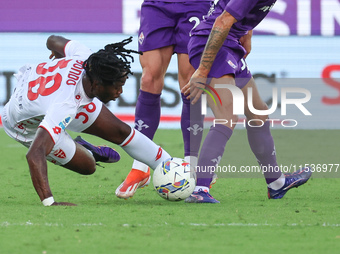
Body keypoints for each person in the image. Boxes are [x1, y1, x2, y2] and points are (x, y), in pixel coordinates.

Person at [1, 35, 172, 206]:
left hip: (52, 97)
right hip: (22, 125)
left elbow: (53, 39)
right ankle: (89, 151)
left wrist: (56, 53)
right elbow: (34, 154)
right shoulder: (65, 105)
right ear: (97, 84)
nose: (120, 92)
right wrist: (49, 202)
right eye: (116, 86)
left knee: (120, 131)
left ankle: (171, 167)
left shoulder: (86, 57)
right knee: (88, 166)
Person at [181, 0, 312, 203]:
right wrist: (203, 71)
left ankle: (276, 183)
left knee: (258, 113)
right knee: (226, 118)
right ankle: (200, 189)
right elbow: (223, 21)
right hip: (214, 42)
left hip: (230, 43)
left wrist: (247, 32)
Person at [115, 0, 213, 199]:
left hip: (196, 4)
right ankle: (140, 166)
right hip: (158, 5)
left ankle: (191, 166)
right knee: (149, 77)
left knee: (190, 79)